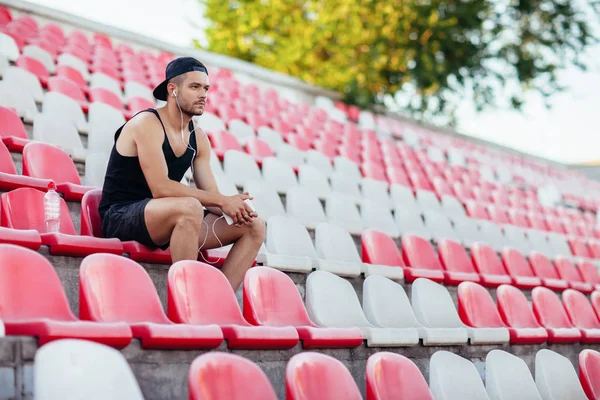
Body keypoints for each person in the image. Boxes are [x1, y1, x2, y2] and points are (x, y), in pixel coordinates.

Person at [98, 57, 264, 290]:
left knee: (255, 226)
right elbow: (161, 188)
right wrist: (220, 200)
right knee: (190, 207)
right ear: (172, 89)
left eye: (206, 88)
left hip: (170, 218)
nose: (203, 94)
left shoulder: (199, 137)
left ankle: (218, 300)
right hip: (122, 215)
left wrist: (234, 205)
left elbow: (211, 195)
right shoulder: (147, 123)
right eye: (194, 87)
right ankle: (188, 300)